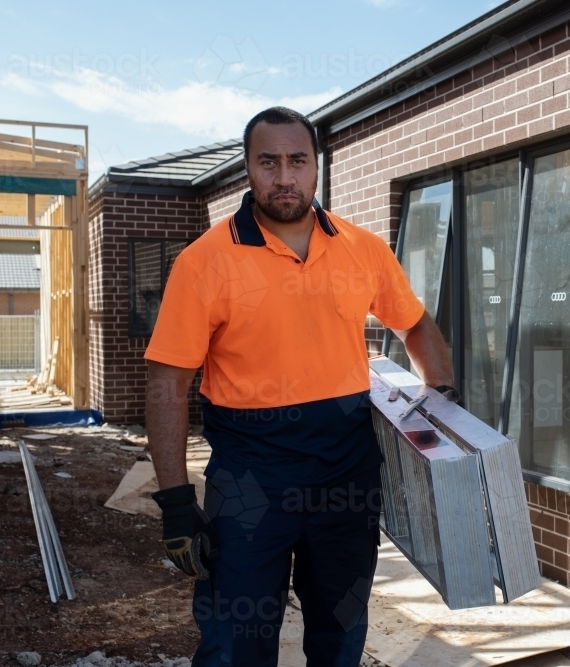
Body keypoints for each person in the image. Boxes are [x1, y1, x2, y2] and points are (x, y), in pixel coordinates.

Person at [144, 106, 457, 667]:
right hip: (249, 479)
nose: (283, 176)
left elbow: (413, 323)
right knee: (236, 645)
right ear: (248, 169)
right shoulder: (204, 262)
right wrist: (174, 502)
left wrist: (443, 407)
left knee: (340, 637)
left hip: (347, 476)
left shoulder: (363, 250)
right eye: (268, 162)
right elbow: (169, 381)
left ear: (317, 166)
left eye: (297, 160)